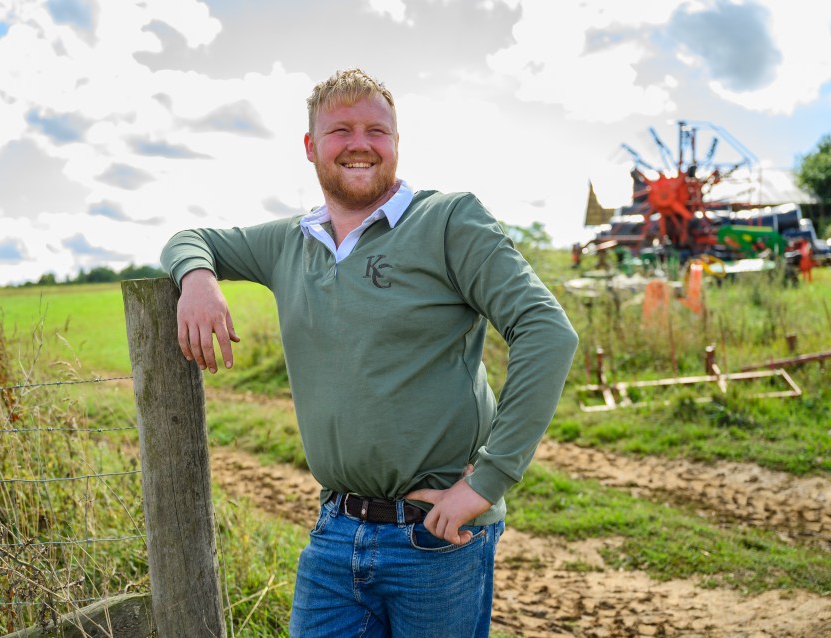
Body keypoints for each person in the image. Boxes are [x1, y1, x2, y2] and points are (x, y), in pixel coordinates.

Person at [161, 68, 578, 638]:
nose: (360, 144)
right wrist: (198, 277)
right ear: (311, 147)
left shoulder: (448, 220)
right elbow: (189, 238)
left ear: (396, 142)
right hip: (334, 532)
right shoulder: (291, 241)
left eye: (376, 131)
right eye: (340, 130)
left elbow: (547, 330)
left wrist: (488, 481)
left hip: (435, 537)